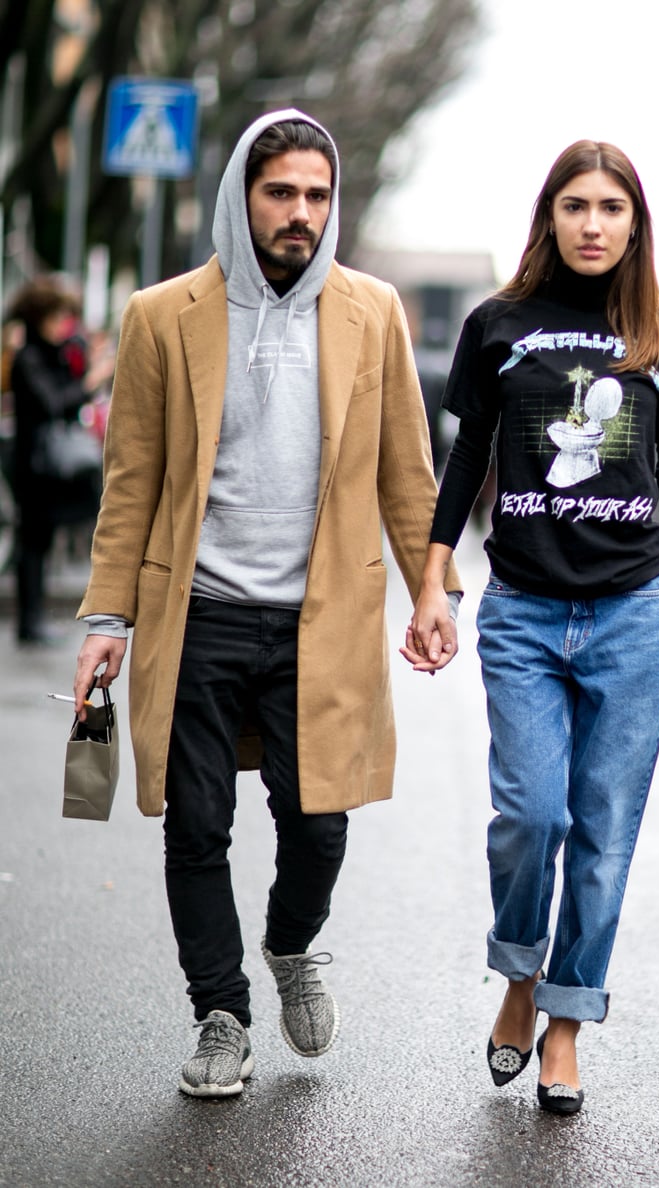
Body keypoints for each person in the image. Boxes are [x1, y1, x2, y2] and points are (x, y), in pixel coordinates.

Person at [72, 109, 461, 1098]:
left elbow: (408, 473)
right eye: (280, 191)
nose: (299, 213)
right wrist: (107, 620)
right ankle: (221, 1014)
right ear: (241, 194)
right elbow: (133, 482)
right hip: (195, 612)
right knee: (195, 826)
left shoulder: (373, 311)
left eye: (316, 196)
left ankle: (291, 946)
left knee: (320, 824)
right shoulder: (164, 314)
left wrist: (432, 588)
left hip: (319, 621)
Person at [402, 140, 659, 1115]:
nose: (593, 224)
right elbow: (467, 457)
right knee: (531, 816)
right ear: (550, 216)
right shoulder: (499, 324)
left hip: (632, 616)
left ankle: (567, 1025)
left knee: (603, 832)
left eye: (611, 208)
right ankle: (518, 984)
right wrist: (432, 576)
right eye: (576, 206)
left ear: (636, 224)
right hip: (525, 612)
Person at [7, 277, 113, 645]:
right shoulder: (29, 357)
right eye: (56, 316)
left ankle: (34, 619)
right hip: (34, 463)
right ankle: (29, 620)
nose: (62, 325)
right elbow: (54, 402)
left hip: (48, 465)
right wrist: (90, 381)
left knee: (40, 540)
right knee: (32, 542)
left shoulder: (54, 352)